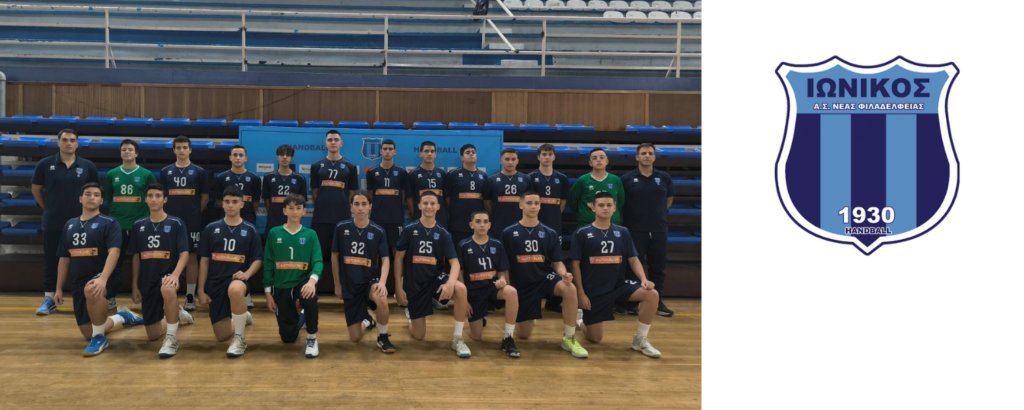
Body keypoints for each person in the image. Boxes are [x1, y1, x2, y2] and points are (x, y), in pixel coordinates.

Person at [53, 182, 144, 356]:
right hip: (79, 280)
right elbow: (64, 259)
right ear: (80, 198)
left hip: (107, 276)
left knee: (92, 290)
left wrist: (102, 278)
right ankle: (122, 317)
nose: (92, 197)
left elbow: (115, 252)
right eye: (88, 194)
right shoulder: (70, 225)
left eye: (96, 195)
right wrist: (58, 288)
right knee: (87, 332)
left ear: (102, 201)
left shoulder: (109, 223)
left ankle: (100, 338)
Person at [569, 192, 662, 358]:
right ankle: (580, 321)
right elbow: (574, 265)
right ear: (593, 207)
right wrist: (581, 293)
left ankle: (640, 340)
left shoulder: (623, 232)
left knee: (652, 294)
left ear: (615, 208)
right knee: (595, 338)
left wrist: (644, 279)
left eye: (609, 205)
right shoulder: (582, 233)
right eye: (601, 205)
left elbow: (633, 259)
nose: (605, 208)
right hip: (594, 291)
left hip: (618, 285)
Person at [502, 192, 588, 359]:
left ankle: (569, 338)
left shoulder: (549, 232)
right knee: (523, 335)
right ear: (521, 205)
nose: (533, 206)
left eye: (536, 203)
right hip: (522, 284)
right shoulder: (509, 232)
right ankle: (530, 315)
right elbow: (504, 265)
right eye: (529, 203)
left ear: (540, 206)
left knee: (569, 288)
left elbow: (557, 262)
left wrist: (564, 273)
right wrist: (506, 284)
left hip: (544, 278)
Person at [394, 192, 471, 358]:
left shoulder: (443, 233)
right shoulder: (409, 230)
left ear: (438, 207)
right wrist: (398, 287)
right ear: (419, 206)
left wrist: (450, 282)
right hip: (415, 284)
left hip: (436, 279)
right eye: (425, 203)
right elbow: (398, 259)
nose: (428, 206)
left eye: (432, 203)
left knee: (460, 288)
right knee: (419, 336)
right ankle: (411, 317)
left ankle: (458, 338)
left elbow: (455, 263)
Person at [33, 129, 101, 315]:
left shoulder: (87, 166)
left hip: (83, 223)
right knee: (51, 260)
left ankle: (89, 297)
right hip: (54, 221)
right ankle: (49, 298)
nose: (68, 143)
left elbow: (95, 192)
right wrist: (48, 208)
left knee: (87, 260)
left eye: (72, 140)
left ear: (77, 144)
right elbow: (36, 189)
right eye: (64, 140)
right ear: (58, 143)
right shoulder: (45, 164)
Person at [128, 183, 194, 358]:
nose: (154, 199)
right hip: (147, 279)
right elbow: (136, 257)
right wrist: (134, 286)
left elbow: (184, 254)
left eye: (158, 196)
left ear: (165, 200)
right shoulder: (138, 225)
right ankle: (177, 313)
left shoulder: (176, 223)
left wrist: (175, 275)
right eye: (150, 196)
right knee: (153, 335)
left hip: (169, 274)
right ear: (145, 199)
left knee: (167, 287)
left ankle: (171, 339)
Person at [197, 186, 262, 358]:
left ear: (242, 204)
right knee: (221, 335)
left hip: (238, 280)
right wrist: (201, 290)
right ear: (222, 204)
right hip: (215, 283)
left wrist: (247, 274)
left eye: (234, 201)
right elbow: (204, 261)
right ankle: (242, 316)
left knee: (235, 289)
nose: (230, 205)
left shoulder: (250, 229)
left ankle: (240, 339)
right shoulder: (211, 228)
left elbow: (258, 259)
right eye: (227, 201)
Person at [332, 190, 395, 353]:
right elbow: (334, 256)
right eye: (357, 204)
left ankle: (382, 337)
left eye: (364, 204)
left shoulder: (378, 231)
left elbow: (385, 259)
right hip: (350, 284)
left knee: (381, 297)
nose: (360, 208)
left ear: (370, 206)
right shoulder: (341, 227)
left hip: (370, 281)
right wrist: (337, 284)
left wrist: (382, 282)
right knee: (355, 337)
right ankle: (367, 320)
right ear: (351, 206)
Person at [264, 194, 323, 358]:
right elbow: (268, 263)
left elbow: (318, 261)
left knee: (309, 298)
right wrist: (268, 293)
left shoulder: (310, 234)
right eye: (291, 208)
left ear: (304, 211)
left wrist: (312, 281)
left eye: (298, 208)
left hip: (302, 282)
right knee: (288, 338)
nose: (294, 212)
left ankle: (312, 338)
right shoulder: (274, 233)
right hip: (281, 285)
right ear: (284, 211)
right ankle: (302, 316)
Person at [620, 143, 676, 317]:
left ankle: (657, 302)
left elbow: (668, 200)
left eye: (650, 153)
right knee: (632, 268)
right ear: (637, 157)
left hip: (659, 229)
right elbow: (620, 203)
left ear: (654, 157)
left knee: (658, 267)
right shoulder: (627, 179)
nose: (647, 156)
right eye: (643, 153)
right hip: (634, 230)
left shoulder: (664, 177)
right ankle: (632, 302)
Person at [456, 210, 521, 358]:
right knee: (476, 337)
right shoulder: (464, 245)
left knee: (511, 292)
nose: (482, 225)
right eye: (478, 221)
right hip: (474, 291)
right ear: (471, 225)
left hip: (492, 287)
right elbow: (459, 273)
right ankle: (480, 316)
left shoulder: (497, 244)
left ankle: (508, 338)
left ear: (490, 225)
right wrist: (465, 301)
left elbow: (502, 270)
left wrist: (502, 280)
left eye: (485, 222)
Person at [158, 136, 210, 312]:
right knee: (167, 256)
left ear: (190, 150)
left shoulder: (199, 171)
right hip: (169, 223)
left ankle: (190, 295)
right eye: (178, 147)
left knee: (192, 257)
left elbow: (204, 198)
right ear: (174, 150)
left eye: (184, 147)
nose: (181, 150)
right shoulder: (165, 171)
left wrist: (194, 212)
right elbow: (162, 197)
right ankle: (167, 294)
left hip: (192, 222)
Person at [105, 139, 157, 312]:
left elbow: (153, 196)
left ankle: (146, 294)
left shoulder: (146, 174)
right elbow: (109, 197)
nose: (127, 152)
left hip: (140, 224)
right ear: (120, 153)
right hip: (117, 224)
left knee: (145, 261)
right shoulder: (112, 174)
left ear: (136, 153)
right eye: (124, 150)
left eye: (130, 149)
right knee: (115, 262)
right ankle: (111, 296)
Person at [212, 145, 262, 309]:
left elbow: (255, 202)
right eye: (235, 155)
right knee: (229, 254)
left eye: (241, 155)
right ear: (230, 158)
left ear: (246, 158)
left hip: (248, 219)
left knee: (248, 255)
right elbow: (219, 201)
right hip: (227, 221)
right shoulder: (221, 177)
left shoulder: (254, 178)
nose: (238, 158)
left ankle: (246, 292)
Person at [529, 143, 571, 313]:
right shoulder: (531, 177)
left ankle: (553, 302)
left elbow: (562, 202)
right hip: (535, 226)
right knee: (535, 260)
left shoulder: (562, 178)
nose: (546, 157)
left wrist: (553, 218)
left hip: (554, 226)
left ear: (554, 157)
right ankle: (533, 298)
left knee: (555, 261)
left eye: (549, 154)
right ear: (538, 157)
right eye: (544, 154)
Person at [311, 130, 359, 277]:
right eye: (330, 140)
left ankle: (342, 285)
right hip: (321, 218)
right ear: (325, 143)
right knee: (318, 254)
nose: (333, 142)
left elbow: (352, 192)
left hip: (342, 217)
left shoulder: (350, 166)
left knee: (343, 253)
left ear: (341, 143)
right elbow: (315, 192)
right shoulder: (316, 166)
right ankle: (314, 285)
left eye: (336, 140)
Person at [568, 148, 624, 229]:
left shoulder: (615, 180)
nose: (598, 160)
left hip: (612, 224)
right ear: (590, 163)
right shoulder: (582, 180)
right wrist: (584, 214)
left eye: (601, 157)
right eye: (594, 158)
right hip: (586, 225)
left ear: (607, 161)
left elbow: (620, 202)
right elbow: (572, 201)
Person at [445, 144, 488, 248]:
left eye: (473, 152)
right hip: (457, 224)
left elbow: (486, 201)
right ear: (462, 157)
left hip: (478, 225)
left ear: (476, 156)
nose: (471, 154)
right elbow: (447, 199)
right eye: (467, 152)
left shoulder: (483, 176)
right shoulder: (453, 174)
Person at [486, 148, 533, 238]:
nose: (510, 162)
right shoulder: (491, 180)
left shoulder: (526, 179)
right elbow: (486, 203)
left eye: (513, 159)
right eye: (507, 159)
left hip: (521, 224)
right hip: (498, 225)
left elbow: (530, 201)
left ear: (517, 161)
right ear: (501, 161)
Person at [262, 144, 308, 236]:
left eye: (288, 155)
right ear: (277, 157)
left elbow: (302, 201)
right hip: (273, 219)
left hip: (292, 219)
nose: (284, 157)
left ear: (291, 158)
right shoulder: (268, 177)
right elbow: (266, 200)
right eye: (282, 154)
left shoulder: (300, 178)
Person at [407, 141, 448, 228]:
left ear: (435, 154)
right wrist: (415, 214)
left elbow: (446, 198)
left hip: (440, 217)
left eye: (432, 151)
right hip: (420, 216)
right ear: (420, 154)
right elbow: (409, 198)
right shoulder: (413, 174)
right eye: (426, 151)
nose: (429, 154)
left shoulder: (442, 173)